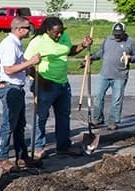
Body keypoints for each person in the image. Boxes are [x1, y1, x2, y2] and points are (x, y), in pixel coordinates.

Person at [24, 17, 94, 158]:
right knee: (41, 116)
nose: (60, 35)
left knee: (63, 116)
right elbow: (26, 63)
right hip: (44, 85)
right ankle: (38, 147)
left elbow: (69, 50)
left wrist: (83, 45)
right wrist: (41, 80)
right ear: (48, 30)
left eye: (61, 32)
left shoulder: (64, 36)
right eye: (56, 33)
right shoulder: (38, 41)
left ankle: (63, 146)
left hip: (63, 83)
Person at [0, 16, 42, 170]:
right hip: (10, 86)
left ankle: (22, 157)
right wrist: (30, 62)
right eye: (27, 28)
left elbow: (19, 66)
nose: (29, 30)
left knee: (19, 124)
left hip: (17, 87)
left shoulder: (17, 44)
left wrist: (30, 70)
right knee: (10, 123)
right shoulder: (9, 45)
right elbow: (8, 69)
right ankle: (2, 156)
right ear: (19, 29)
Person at [89, 22, 135, 130]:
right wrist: (91, 58)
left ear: (124, 32)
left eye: (119, 34)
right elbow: (101, 52)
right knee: (97, 96)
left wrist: (130, 57)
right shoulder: (108, 40)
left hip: (120, 75)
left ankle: (113, 121)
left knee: (116, 99)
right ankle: (97, 119)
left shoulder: (131, 42)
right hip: (104, 74)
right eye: (115, 34)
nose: (117, 36)